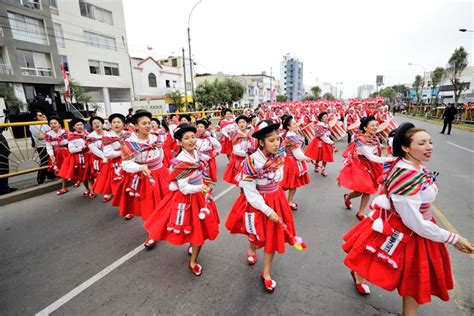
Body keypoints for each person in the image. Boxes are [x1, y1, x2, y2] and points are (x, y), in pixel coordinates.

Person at [342, 122, 474, 315]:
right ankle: (361, 277)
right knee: (407, 272)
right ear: (405, 147)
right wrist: (453, 238)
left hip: (414, 223)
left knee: (402, 271)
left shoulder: (410, 164)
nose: (429, 147)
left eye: (430, 142)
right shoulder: (406, 175)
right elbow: (415, 222)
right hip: (410, 227)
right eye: (421, 143)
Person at [226, 120, 297, 293]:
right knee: (256, 235)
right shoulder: (251, 161)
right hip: (257, 202)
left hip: (276, 198)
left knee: (272, 237)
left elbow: (278, 179)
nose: (276, 143)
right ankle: (252, 248)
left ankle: (266, 273)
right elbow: (250, 192)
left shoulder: (279, 156)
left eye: (277, 139)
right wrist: (267, 210)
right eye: (271, 140)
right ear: (261, 142)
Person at [143, 123, 219, 274]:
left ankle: (193, 252)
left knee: (200, 229)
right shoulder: (181, 162)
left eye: (193, 137)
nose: (191, 140)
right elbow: (184, 188)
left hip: (200, 195)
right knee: (194, 227)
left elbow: (205, 160)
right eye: (186, 138)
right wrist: (201, 187)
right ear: (179, 142)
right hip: (188, 199)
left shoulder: (195, 153)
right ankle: (193, 261)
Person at [113, 110, 169, 222]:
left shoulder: (156, 138)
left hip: (159, 173)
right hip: (143, 177)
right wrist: (141, 167)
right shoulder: (129, 143)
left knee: (163, 201)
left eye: (149, 123)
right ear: (136, 126)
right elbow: (126, 164)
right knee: (148, 205)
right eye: (144, 123)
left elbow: (161, 153)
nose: (148, 126)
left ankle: (161, 225)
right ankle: (151, 231)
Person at [338, 116, 397, 221]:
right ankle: (347, 197)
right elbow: (372, 157)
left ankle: (360, 212)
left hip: (372, 166)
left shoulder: (375, 138)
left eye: (376, 125)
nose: (375, 127)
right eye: (372, 126)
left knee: (368, 190)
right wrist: (391, 159)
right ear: (365, 128)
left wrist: (386, 149)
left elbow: (376, 150)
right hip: (361, 167)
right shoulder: (361, 141)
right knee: (359, 191)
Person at [92, 113, 127, 202]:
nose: (116, 124)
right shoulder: (107, 137)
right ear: (111, 125)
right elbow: (108, 153)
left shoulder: (128, 134)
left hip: (130, 160)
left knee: (129, 185)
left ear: (123, 124)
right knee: (119, 185)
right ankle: (123, 205)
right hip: (116, 164)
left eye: (118, 122)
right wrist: (123, 152)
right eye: (114, 122)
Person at [280, 115, 311, 210]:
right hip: (291, 162)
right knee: (287, 184)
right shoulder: (291, 137)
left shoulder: (292, 134)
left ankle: (288, 201)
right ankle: (276, 198)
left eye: (296, 122)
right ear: (288, 127)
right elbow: (297, 154)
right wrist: (307, 158)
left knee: (293, 184)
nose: (296, 125)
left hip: (292, 160)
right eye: (294, 124)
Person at [58, 118, 94, 197]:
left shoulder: (87, 134)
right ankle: (87, 190)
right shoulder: (71, 136)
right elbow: (71, 150)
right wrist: (82, 148)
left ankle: (92, 190)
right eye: (77, 125)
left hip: (88, 156)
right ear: (74, 127)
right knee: (83, 175)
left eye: (81, 125)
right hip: (79, 158)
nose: (80, 126)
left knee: (90, 175)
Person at [222, 115, 256, 185]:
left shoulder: (250, 133)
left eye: (243, 122)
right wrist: (248, 153)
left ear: (247, 124)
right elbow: (236, 150)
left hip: (251, 160)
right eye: (239, 123)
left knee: (251, 181)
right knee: (242, 181)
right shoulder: (236, 136)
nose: (241, 124)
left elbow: (254, 144)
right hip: (240, 161)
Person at [305, 112, 336, 176]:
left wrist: (331, 138)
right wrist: (331, 142)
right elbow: (323, 136)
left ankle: (323, 169)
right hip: (320, 142)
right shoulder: (319, 125)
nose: (326, 118)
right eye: (324, 117)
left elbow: (329, 134)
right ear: (321, 119)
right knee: (318, 156)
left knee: (326, 157)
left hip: (327, 142)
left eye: (326, 116)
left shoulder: (327, 125)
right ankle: (316, 166)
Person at [45, 116, 69, 195]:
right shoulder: (48, 134)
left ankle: (79, 181)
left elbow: (70, 142)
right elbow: (48, 146)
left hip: (66, 153)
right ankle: (64, 187)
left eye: (55, 123)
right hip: (56, 154)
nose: (53, 125)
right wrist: (51, 155)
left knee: (73, 168)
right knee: (61, 171)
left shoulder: (65, 132)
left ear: (59, 124)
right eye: (51, 123)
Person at [29, 110, 56, 184]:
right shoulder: (32, 125)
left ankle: (51, 175)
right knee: (44, 162)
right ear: (35, 117)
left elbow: (52, 131)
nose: (42, 116)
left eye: (42, 115)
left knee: (51, 160)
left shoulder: (44, 123)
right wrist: (48, 133)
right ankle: (40, 179)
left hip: (49, 144)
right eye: (40, 115)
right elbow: (41, 136)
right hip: (41, 145)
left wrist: (46, 122)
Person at [195, 118, 221, 183]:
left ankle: (206, 189)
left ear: (205, 129)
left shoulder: (209, 139)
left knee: (208, 175)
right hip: (198, 160)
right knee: (198, 176)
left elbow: (218, 146)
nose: (199, 128)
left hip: (208, 160)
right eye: (198, 127)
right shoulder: (194, 139)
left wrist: (215, 153)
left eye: (201, 127)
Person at [87, 116, 106, 199]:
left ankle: (109, 192)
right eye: (94, 123)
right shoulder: (90, 137)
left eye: (98, 122)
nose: (96, 124)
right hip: (97, 159)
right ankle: (96, 190)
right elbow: (94, 149)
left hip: (110, 157)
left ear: (102, 124)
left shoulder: (108, 134)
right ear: (92, 126)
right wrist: (104, 156)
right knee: (98, 176)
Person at [0, 128, 17, 195]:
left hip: (3, 152)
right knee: (2, 170)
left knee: (5, 170)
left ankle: (5, 187)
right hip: (1, 153)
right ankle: (2, 189)